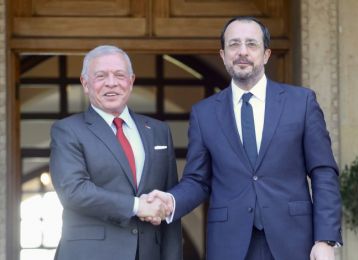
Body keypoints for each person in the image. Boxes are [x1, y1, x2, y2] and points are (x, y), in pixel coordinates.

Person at [146, 16, 342, 260]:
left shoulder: (301, 103)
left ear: (266, 54)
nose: (242, 52)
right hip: (229, 245)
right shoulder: (204, 113)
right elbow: (198, 180)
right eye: (234, 44)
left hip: (294, 241)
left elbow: (323, 171)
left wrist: (325, 239)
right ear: (223, 54)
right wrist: (170, 201)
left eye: (251, 44)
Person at [49, 45, 182, 260]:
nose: (111, 83)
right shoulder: (67, 130)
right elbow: (74, 191)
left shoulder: (158, 131)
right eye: (100, 76)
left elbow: (168, 202)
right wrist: (137, 206)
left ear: (131, 81)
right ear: (85, 83)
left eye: (120, 75)